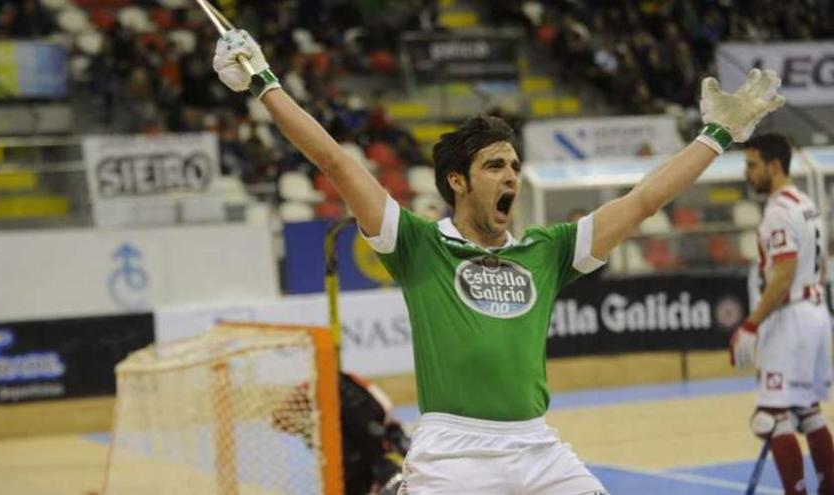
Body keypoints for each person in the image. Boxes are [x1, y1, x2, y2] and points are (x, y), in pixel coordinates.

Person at [212, 28, 784, 494]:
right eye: (494, 166)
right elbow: (334, 161)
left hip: (537, 450)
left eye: (513, 165)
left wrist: (718, 133)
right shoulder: (417, 245)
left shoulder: (548, 251)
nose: (511, 175)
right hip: (452, 455)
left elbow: (644, 201)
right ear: (458, 182)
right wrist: (264, 83)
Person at [732, 133, 834, 495]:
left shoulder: (777, 211)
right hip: (817, 310)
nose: (747, 173)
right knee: (807, 410)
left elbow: (784, 272)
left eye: (752, 165)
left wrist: (750, 325)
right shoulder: (805, 202)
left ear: (773, 166)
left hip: (791, 317)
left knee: (771, 417)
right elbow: (820, 265)